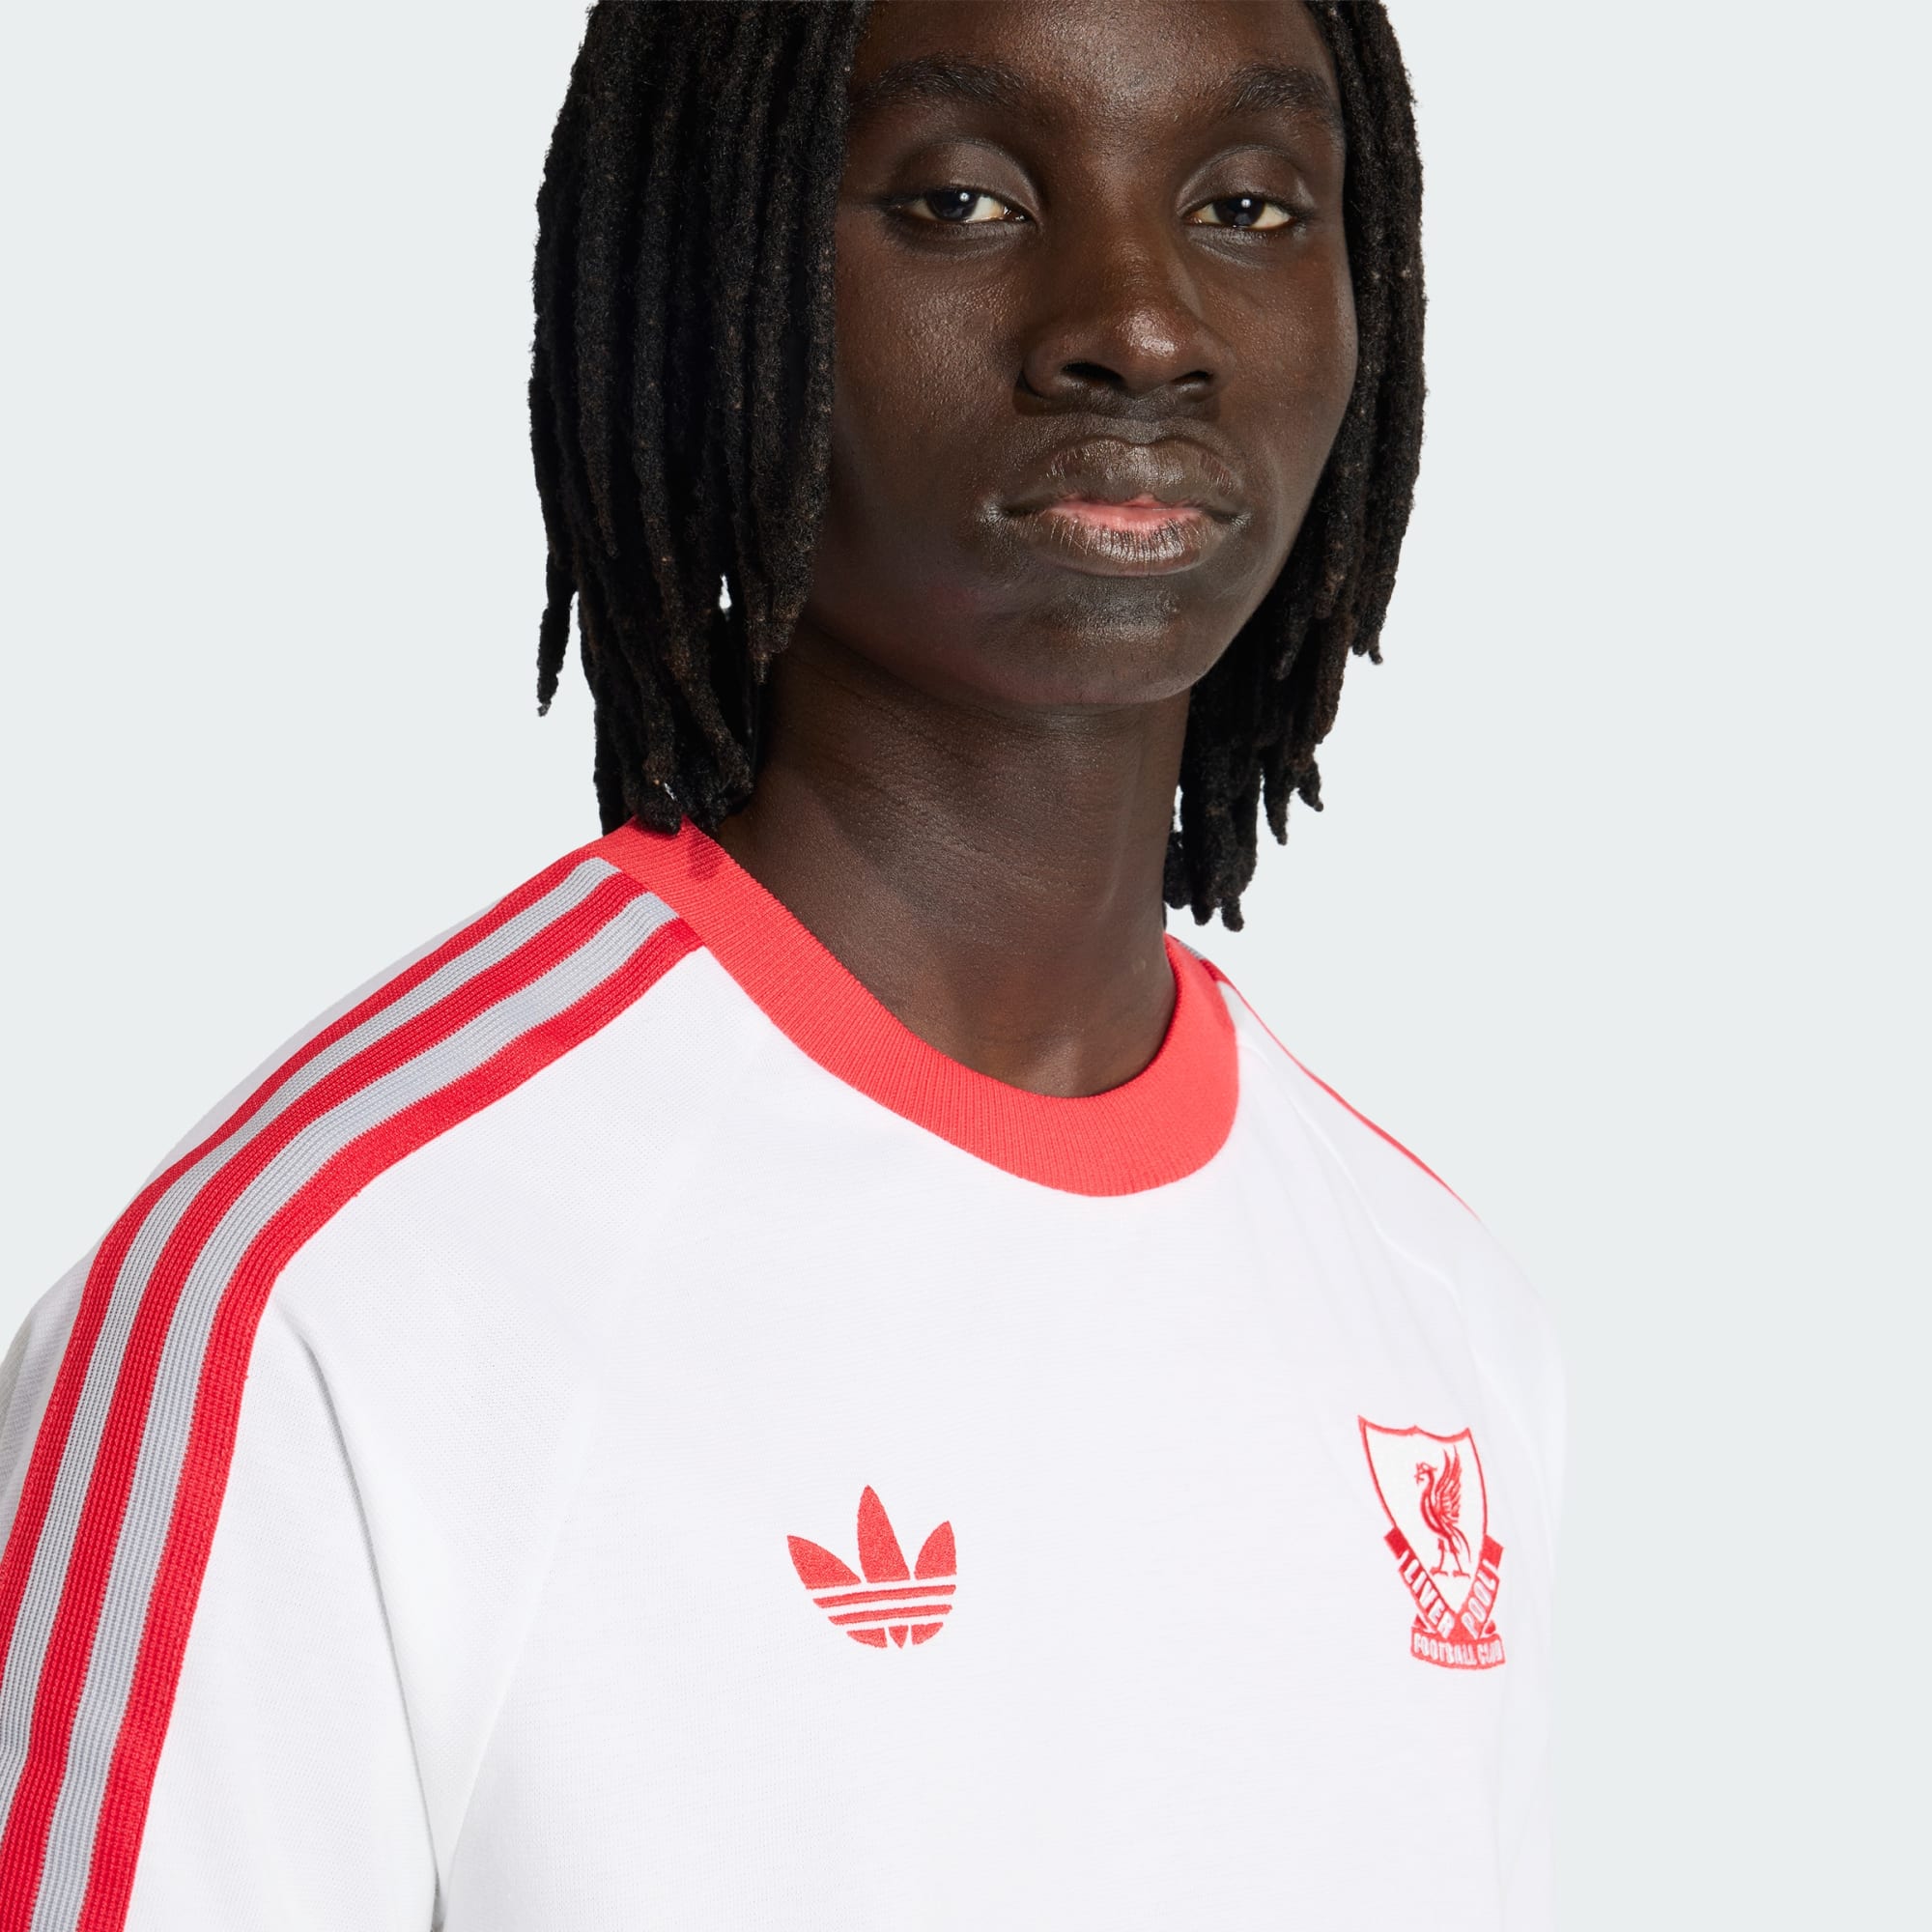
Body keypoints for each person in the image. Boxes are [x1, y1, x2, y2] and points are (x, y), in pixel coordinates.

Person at [0, 2, 1563, 1926]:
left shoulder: (1443, 1314)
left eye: (1245, 204)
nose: (1140, 325)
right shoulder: (329, 1298)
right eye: (963, 200)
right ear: (707, 273)